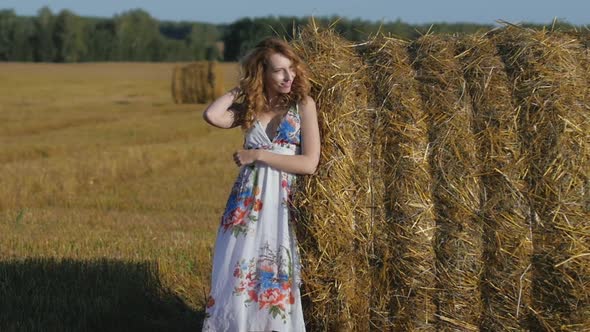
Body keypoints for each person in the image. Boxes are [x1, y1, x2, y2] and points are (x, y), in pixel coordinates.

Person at [201, 37, 320, 332]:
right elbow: (212, 115)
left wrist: (258, 154)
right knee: (237, 265)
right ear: (262, 74)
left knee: (276, 267)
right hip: (246, 204)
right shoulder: (251, 107)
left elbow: (309, 163)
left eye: (291, 69)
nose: (288, 76)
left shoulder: (303, 105)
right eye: (279, 71)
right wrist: (240, 89)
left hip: (281, 201)